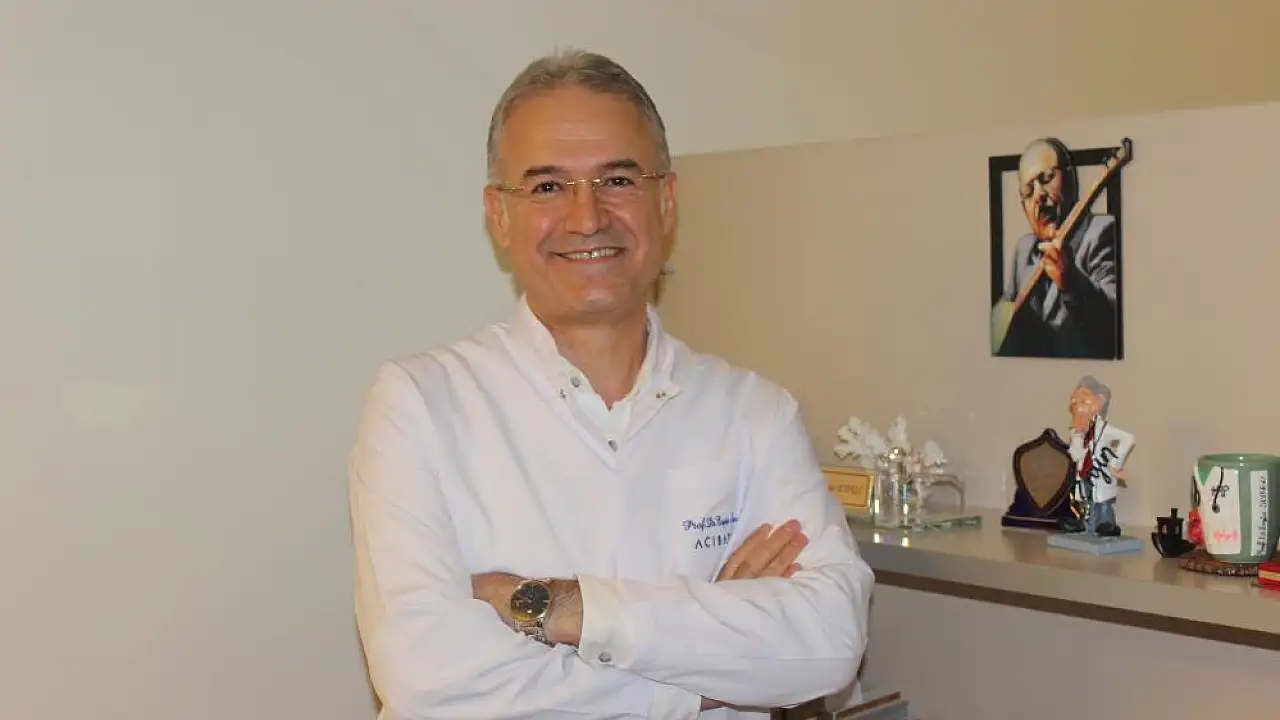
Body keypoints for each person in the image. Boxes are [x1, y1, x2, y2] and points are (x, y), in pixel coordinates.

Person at [346, 49, 875, 719]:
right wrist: (706, 674)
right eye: (547, 187)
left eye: (618, 180)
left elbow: (828, 643)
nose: (587, 217)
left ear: (666, 201)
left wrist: (558, 607)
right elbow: (427, 679)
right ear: (498, 215)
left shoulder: (754, 412)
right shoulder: (418, 404)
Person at [993, 137, 1120, 359]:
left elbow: (1115, 325)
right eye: (1028, 192)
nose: (1039, 196)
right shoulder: (1024, 250)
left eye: (1047, 178)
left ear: (1071, 179)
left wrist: (1070, 281)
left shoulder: (1102, 231)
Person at [1061, 375, 1135, 537]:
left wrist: (1115, 464)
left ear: (1098, 403)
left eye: (1083, 401)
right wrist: (1077, 434)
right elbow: (1075, 456)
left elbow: (1128, 439)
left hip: (1101, 473)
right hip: (1085, 474)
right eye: (1076, 402)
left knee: (1103, 503)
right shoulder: (1079, 432)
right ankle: (1086, 524)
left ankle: (1106, 523)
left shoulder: (1105, 429)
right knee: (1087, 499)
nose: (1079, 406)